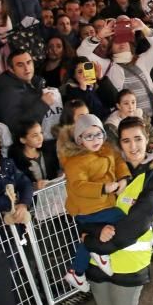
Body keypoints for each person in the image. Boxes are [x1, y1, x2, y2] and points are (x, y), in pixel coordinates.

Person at [81, 117, 153, 305]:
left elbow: (135, 224)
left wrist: (91, 241)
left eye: (138, 139)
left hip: (128, 262)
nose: (133, 146)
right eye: (127, 141)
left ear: (147, 140)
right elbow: (85, 209)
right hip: (98, 259)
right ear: (120, 144)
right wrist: (91, 232)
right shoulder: (109, 170)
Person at [57, 113, 131, 293]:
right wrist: (103, 188)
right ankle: (99, 252)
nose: (95, 139)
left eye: (98, 134)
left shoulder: (106, 148)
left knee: (88, 238)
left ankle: (77, 271)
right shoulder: (75, 161)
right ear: (80, 139)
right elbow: (79, 186)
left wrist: (123, 178)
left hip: (102, 203)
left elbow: (119, 161)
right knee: (120, 219)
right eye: (88, 136)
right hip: (88, 206)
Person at [0, 49, 55, 134]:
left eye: (29, 62)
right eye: (20, 65)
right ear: (11, 69)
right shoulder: (8, 92)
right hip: (26, 143)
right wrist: (43, 104)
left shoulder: (36, 81)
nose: (27, 68)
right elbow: (15, 125)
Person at [8, 120, 60, 190]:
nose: (40, 138)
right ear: (23, 140)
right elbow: (18, 185)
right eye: (35, 135)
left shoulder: (49, 150)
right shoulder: (16, 162)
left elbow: (57, 170)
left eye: (41, 133)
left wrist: (60, 174)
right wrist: (34, 186)